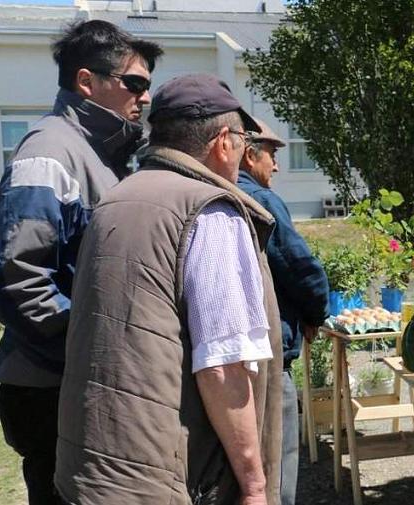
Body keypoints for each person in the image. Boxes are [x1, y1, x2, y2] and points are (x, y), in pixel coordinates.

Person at [55, 74, 284, 505]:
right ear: (222, 142)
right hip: (159, 478)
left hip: (88, 467)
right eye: (242, 141)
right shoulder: (211, 211)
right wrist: (255, 486)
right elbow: (223, 366)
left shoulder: (116, 197)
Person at [0, 20, 162, 504]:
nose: (143, 97)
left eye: (148, 87)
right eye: (134, 83)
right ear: (86, 82)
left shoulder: (102, 155)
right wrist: (89, 351)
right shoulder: (50, 152)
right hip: (55, 389)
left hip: (80, 383)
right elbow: (14, 277)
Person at [237, 125, 330, 505]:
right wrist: (315, 313)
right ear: (249, 155)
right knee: (277, 468)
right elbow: (300, 266)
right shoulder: (260, 199)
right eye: (272, 155)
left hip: (226, 358)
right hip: (270, 357)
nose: (276, 166)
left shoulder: (217, 193)